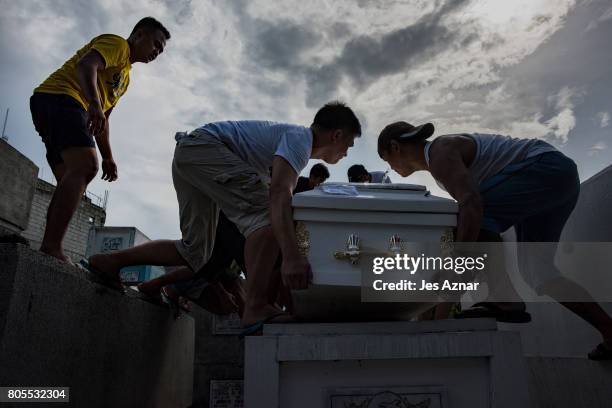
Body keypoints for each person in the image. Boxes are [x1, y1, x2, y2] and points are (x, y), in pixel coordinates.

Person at [84, 101, 361, 331]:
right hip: (204, 148)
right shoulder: (301, 139)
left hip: (191, 153)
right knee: (268, 217)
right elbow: (279, 194)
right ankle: (255, 307)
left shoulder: (288, 144)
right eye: (347, 145)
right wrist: (291, 256)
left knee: (196, 251)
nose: (345, 153)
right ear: (336, 135)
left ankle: (110, 261)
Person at [377, 121, 612, 360]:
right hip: (560, 179)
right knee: (538, 273)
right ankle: (609, 331)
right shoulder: (440, 160)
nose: (391, 168)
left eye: (387, 159)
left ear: (395, 147)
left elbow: (473, 206)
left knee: (471, 216)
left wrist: (456, 263)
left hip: (544, 168)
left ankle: (504, 298)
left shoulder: (440, 152)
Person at [30, 17, 170, 263]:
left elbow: (102, 120)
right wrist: (93, 102)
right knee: (84, 166)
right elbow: (86, 65)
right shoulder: (118, 45)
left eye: (161, 49)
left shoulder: (125, 77)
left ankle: (48, 246)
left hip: (55, 106)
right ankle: (52, 247)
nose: (157, 52)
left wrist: (108, 156)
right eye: (156, 44)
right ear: (139, 35)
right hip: (61, 96)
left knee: (70, 181)